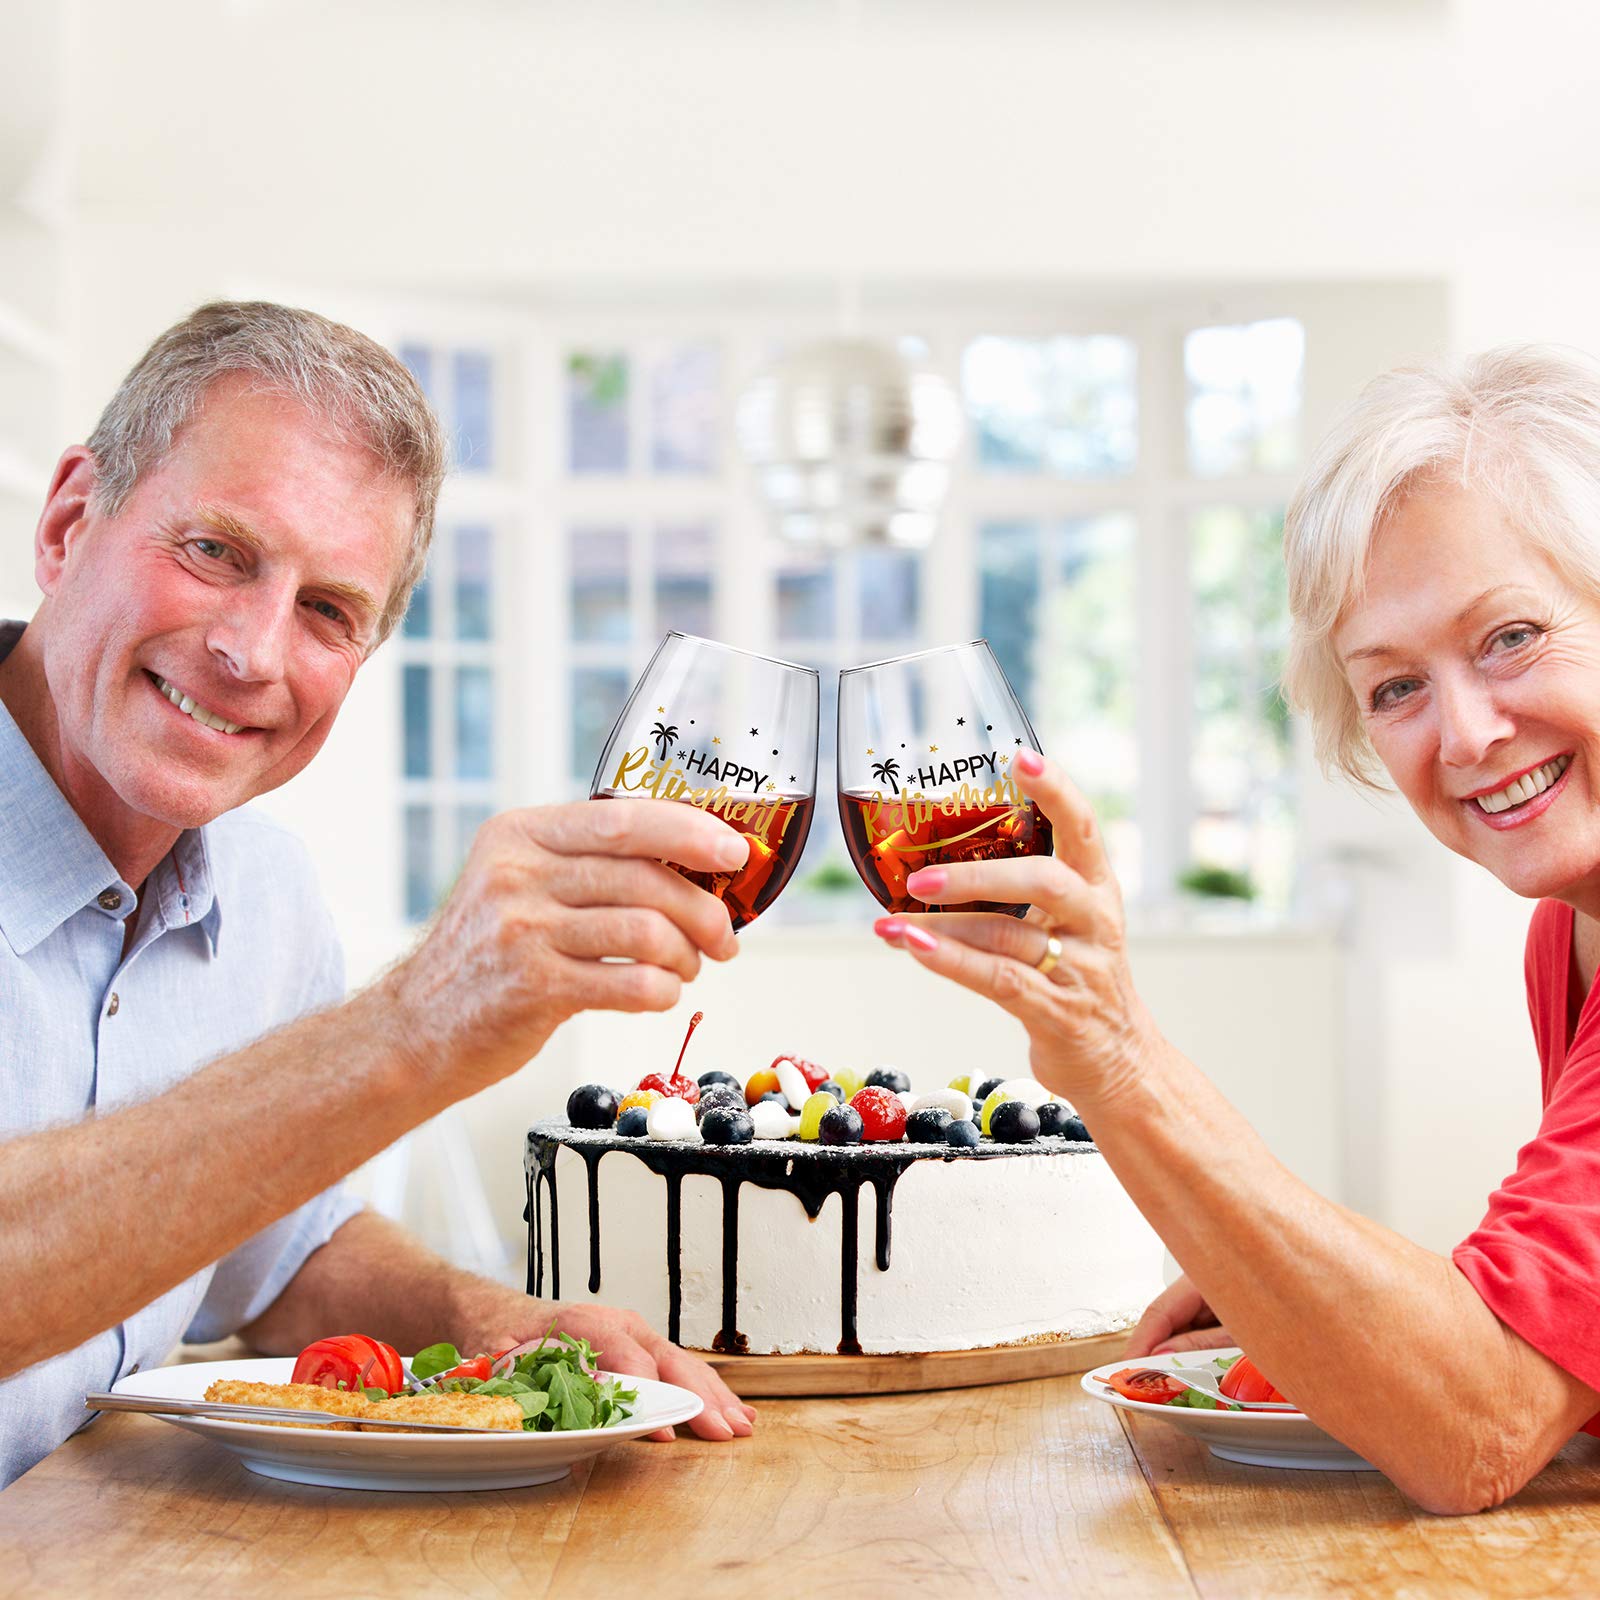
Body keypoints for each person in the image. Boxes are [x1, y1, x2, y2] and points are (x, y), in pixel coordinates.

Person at [0, 301, 755, 1486]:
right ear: (66, 525)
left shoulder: (268, 894)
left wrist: (485, 1318)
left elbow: (280, 1252)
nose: (251, 650)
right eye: (215, 551)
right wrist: (412, 1029)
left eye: (326, 611)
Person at [873, 343, 1600, 1515]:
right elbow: (1560, 1331)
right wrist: (1295, 1301)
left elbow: (1483, 1424)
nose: (1462, 734)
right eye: (1393, 686)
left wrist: (1113, 1054)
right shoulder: (1566, 931)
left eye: (1509, 635)